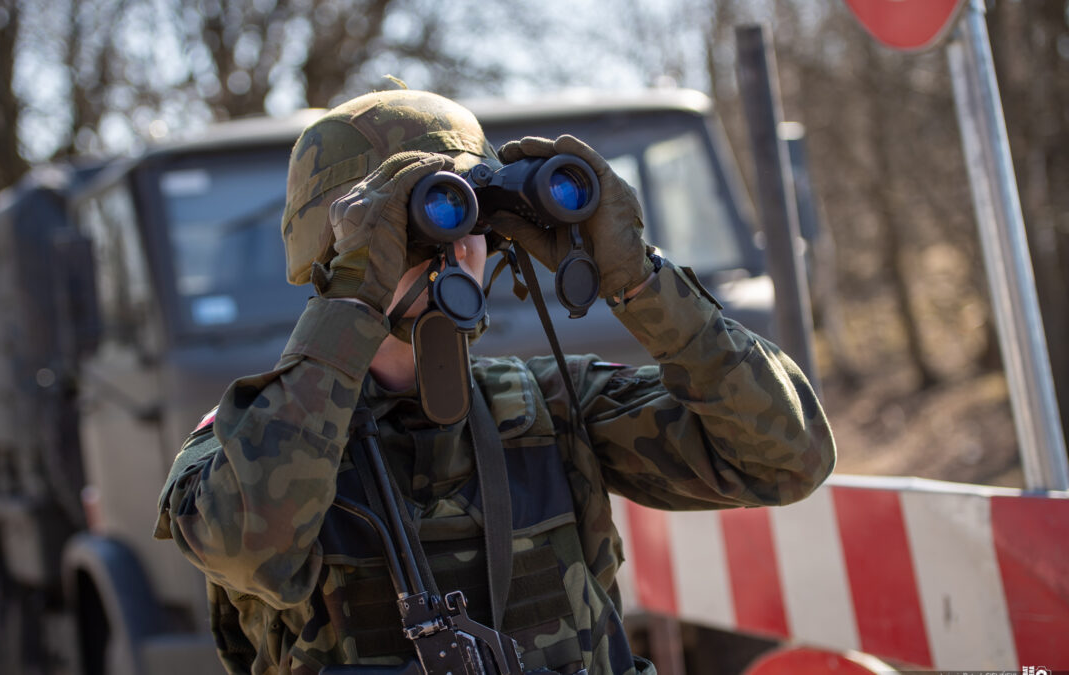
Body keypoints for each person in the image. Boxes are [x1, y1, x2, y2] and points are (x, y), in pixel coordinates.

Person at [154, 89, 835, 675]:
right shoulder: (245, 447)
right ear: (331, 251)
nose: (455, 246)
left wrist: (641, 281)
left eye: (468, 214)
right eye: (416, 223)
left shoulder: (558, 406)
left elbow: (785, 456)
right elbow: (254, 542)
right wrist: (353, 301)